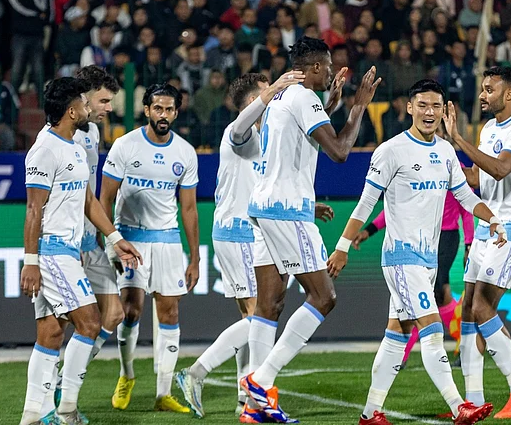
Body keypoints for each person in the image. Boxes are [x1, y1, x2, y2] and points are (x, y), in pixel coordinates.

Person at [327, 79, 505, 425]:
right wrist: (342, 247)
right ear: (410, 108)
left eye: (436, 106)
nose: (429, 112)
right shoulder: (390, 151)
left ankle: (370, 413)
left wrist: (493, 219)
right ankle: (459, 406)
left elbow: (465, 197)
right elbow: (366, 203)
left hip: (428, 259)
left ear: (444, 111)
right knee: (433, 328)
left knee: (397, 332)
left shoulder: (446, 152)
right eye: (422, 105)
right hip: (401, 258)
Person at [239, 36, 380, 423]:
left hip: (263, 207)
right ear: (315, 67)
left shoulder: (282, 96)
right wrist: (358, 107)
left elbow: (299, 135)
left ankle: (254, 407)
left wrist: (330, 105)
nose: (332, 72)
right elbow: (340, 152)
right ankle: (260, 381)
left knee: (269, 304)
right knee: (324, 296)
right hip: (287, 211)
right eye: (329, 66)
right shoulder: (303, 97)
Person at [173, 70, 307, 420]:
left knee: (251, 318)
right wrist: (275, 88)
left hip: (244, 231)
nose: (276, 96)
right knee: (260, 317)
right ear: (253, 101)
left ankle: (243, 398)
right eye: (269, 92)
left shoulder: (267, 134)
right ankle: (197, 372)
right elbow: (240, 129)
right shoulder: (238, 131)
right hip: (239, 232)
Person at [19, 77, 141, 425]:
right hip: (53, 252)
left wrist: (114, 237)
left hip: (68, 251)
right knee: (89, 323)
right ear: (71, 111)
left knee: (51, 332)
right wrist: (31, 262)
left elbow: (88, 200)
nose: (89, 108)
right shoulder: (45, 149)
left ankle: (32, 414)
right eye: (84, 104)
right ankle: (67, 408)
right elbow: (33, 209)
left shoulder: (74, 145)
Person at [446, 66, 511, 419]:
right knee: (470, 309)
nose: (483, 95)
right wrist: (443, 162)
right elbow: (477, 176)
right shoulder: (488, 129)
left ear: (509, 94)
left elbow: (500, 169)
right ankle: (472, 400)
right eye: (483, 88)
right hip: (489, 225)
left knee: (484, 306)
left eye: (489, 89)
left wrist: (458, 139)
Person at [100, 83, 200, 414]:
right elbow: (105, 198)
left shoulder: (185, 151)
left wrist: (195, 257)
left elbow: (189, 208)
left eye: (169, 109)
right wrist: (111, 241)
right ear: (146, 110)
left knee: (170, 312)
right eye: (158, 108)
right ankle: (126, 375)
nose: (163, 114)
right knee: (131, 310)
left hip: (168, 240)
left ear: (176, 112)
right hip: (131, 238)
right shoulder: (125, 145)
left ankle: (163, 393)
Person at [39, 66, 122, 412]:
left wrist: (108, 235)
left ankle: (63, 385)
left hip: (87, 239)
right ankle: (53, 401)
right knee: (63, 325)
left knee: (113, 314)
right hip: (64, 243)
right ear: (82, 100)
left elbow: (88, 193)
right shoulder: (62, 137)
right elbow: (45, 202)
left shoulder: (91, 132)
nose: (107, 108)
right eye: (102, 101)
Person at [351, 172, 474, 368]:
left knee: (435, 292)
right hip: (420, 236)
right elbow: (397, 208)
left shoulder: (452, 167)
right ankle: (465, 345)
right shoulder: (413, 168)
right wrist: (369, 230)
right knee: (434, 295)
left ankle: (406, 353)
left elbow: (467, 209)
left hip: (446, 237)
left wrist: (469, 244)